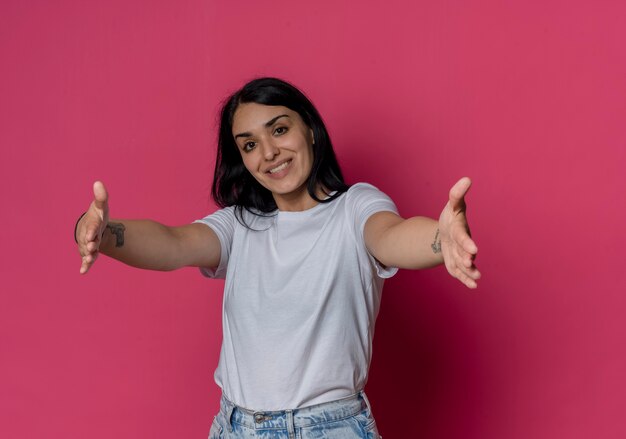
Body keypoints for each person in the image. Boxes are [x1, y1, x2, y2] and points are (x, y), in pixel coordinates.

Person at [74, 77, 480, 439]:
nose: (268, 153)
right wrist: (103, 234)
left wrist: (438, 238)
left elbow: (390, 236)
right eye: (250, 145)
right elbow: (173, 243)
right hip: (235, 425)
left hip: (327, 428)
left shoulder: (355, 207)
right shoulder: (239, 225)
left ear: (311, 130)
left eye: (280, 130)